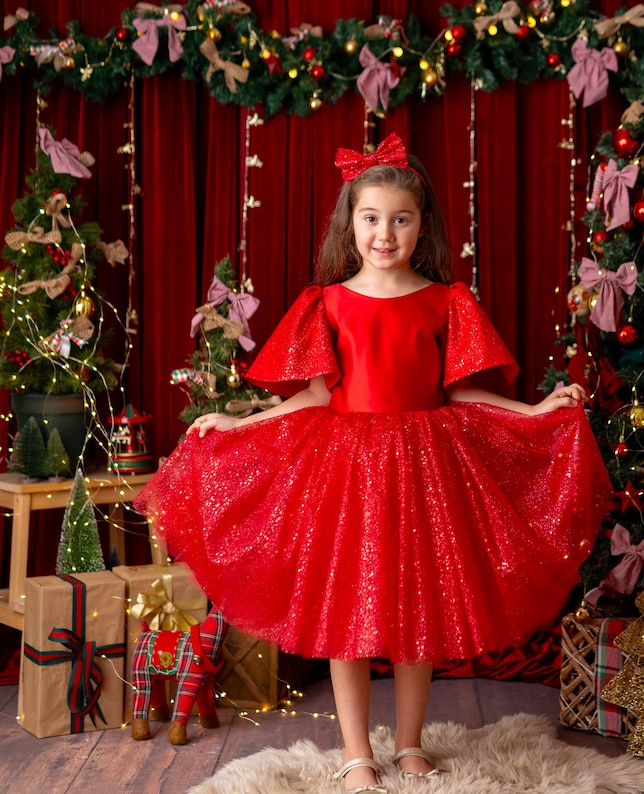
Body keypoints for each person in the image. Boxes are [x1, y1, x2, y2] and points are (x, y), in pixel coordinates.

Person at [135, 133, 612, 793]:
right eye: (371, 218)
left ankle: (410, 744)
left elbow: (462, 391)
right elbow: (313, 396)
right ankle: (358, 753)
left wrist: (534, 411)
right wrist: (238, 422)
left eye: (400, 219)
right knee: (347, 614)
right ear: (350, 224)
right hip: (347, 470)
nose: (385, 233)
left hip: (426, 469)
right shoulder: (327, 303)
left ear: (423, 225)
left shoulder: (446, 300)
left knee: (420, 609)